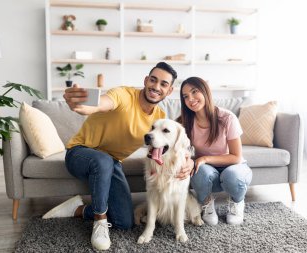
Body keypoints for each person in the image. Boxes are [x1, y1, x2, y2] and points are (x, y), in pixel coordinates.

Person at [42, 62, 194, 251]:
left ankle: (78, 209)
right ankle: (99, 221)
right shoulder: (123, 95)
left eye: (163, 84)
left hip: (111, 163)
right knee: (103, 160)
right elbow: (101, 103)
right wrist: (82, 103)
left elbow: (176, 141)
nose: (156, 86)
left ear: (169, 90)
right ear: (146, 80)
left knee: (125, 221)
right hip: (80, 153)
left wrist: (189, 160)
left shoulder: (160, 118)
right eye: (153, 80)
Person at [178, 76, 252, 226]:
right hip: (206, 171)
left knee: (232, 175)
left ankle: (237, 201)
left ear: (205, 92)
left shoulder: (227, 118)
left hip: (232, 166)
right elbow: (177, 148)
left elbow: (236, 157)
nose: (191, 99)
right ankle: (206, 203)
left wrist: (204, 158)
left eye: (194, 92)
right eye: (186, 96)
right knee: (199, 171)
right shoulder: (184, 121)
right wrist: (189, 161)